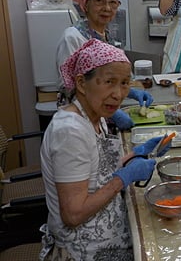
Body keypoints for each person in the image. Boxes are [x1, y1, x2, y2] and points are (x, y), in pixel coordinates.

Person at [40, 39, 170, 260]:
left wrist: (139, 153)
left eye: (124, 83)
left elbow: (98, 171)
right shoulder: (70, 132)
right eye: (109, 82)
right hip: (83, 248)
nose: (119, 94)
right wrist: (123, 178)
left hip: (109, 231)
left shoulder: (95, 116)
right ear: (81, 83)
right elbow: (73, 214)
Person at [56, 0, 153, 130]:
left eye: (113, 2)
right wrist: (114, 114)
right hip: (80, 119)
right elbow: (69, 86)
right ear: (85, 5)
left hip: (101, 116)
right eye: (99, 1)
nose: (107, 8)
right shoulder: (72, 37)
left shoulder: (106, 35)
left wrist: (130, 92)